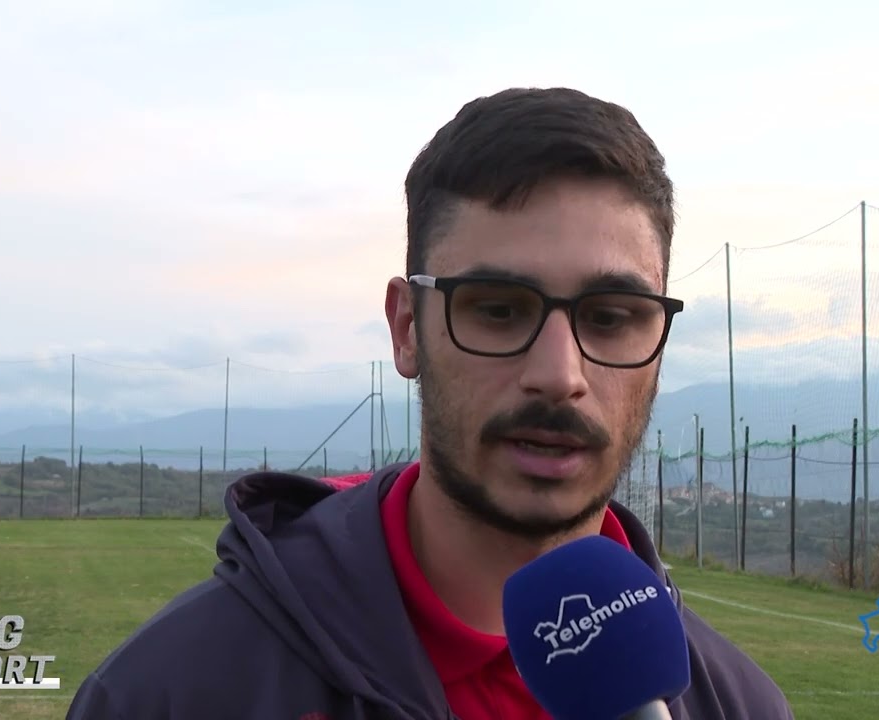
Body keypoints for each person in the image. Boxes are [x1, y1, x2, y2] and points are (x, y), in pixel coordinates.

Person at [66, 87, 793, 719]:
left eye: (610, 317)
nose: (559, 374)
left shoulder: (737, 705)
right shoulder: (168, 693)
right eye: (499, 310)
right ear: (408, 328)